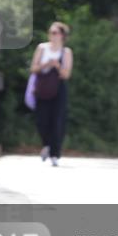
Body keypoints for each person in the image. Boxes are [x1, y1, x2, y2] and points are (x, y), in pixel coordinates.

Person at [29, 21, 73, 167]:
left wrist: (57, 65)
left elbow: (66, 74)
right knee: (41, 120)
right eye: (50, 32)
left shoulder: (66, 52)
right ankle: (46, 144)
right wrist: (46, 65)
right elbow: (33, 68)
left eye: (55, 33)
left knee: (57, 121)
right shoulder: (42, 48)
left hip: (58, 89)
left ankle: (55, 154)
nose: (52, 35)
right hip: (42, 87)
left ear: (62, 35)